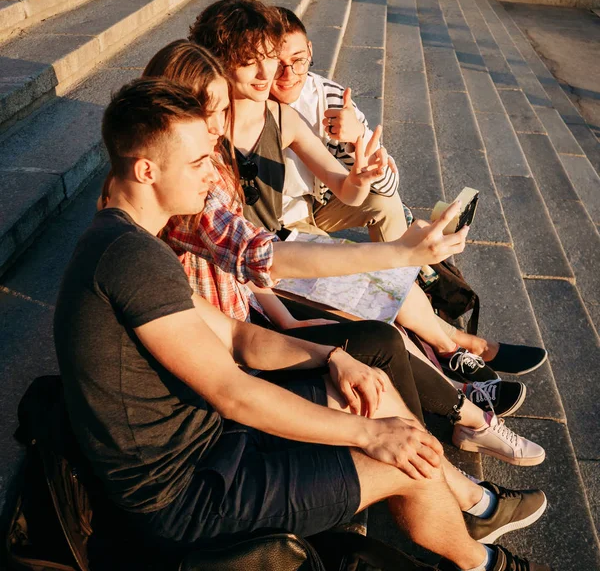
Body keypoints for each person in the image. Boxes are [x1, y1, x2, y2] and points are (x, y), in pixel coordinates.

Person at [57, 77, 550, 571]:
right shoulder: (130, 258)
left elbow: (238, 336)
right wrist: (370, 437)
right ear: (146, 170)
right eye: (197, 161)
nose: (212, 174)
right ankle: (484, 564)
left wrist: (333, 357)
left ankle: (470, 524)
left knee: (377, 399)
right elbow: (234, 393)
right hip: (188, 493)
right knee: (405, 456)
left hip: (213, 444)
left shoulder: (131, 242)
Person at [144, 40, 545, 467]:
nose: (276, 73)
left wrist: (359, 159)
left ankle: (461, 391)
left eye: (292, 60)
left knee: (382, 312)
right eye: (255, 63)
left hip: (255, 307)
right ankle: (457, 427)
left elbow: (246, 261)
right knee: (376, 332)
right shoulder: (192, 190)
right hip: (240, 336)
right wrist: (398, 254)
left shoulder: (243, 140)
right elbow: (258, 256)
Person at [187, 0, 548, 383]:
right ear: (219, 62)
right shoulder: (206, 131)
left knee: (390, 278)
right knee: (383, 301)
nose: (268, 74)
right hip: (259, 264)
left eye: (271, 58)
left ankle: (456, 352)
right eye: (249, 61)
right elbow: (236, 248)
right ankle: (457, 360)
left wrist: (359, 176)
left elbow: (349, 190)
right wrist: (285, 316)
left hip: (277, 244)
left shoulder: (282, 115)